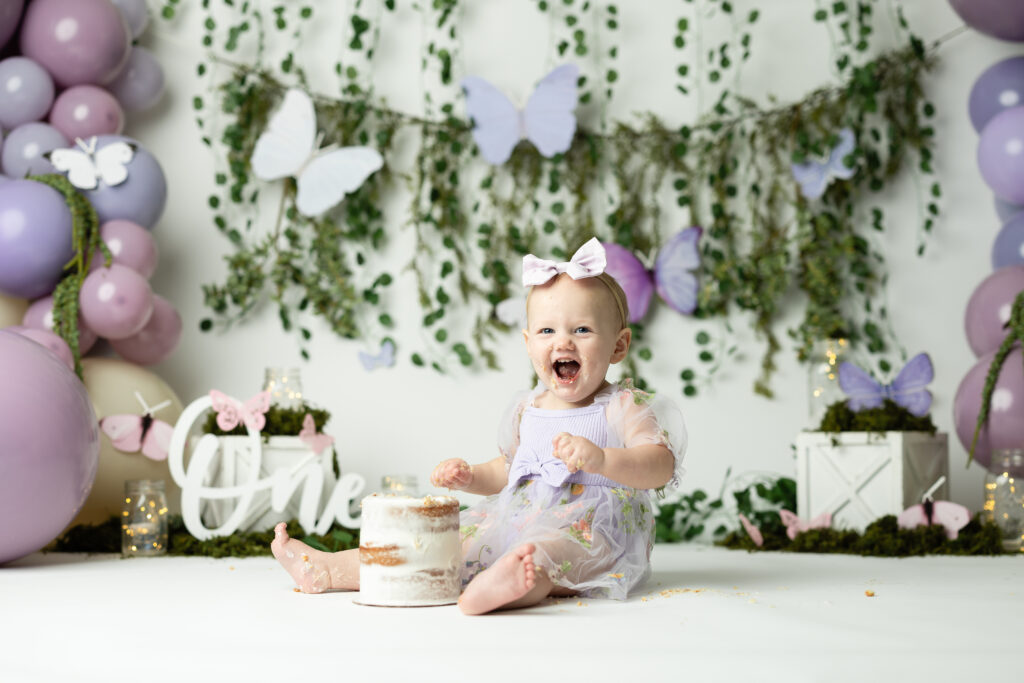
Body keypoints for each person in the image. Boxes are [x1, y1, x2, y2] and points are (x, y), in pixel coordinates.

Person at [271, 238, 687, 615]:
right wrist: (471, 476)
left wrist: (603, 459)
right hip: (516, 519)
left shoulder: (620, 406)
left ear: (618, 345)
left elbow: (659, 466)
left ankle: (502, 588)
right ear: (528, 344)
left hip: (593, 532)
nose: (563, 342)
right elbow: (510, 472)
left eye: (582, 330)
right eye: (547, 331)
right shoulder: (528, 407)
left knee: (541, 556)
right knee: (445, 544)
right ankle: (329, 569)